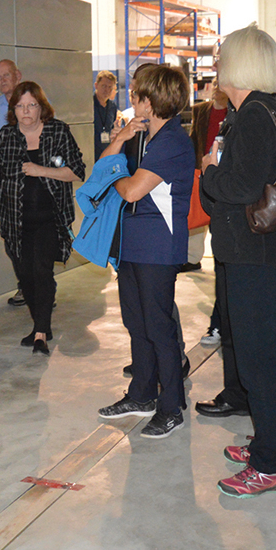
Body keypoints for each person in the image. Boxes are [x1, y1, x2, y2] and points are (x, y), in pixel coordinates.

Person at [199, 23, 276, 498]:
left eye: (222, 56)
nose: (217, 64)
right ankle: (272, 445)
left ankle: (269, 465)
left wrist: (209, 172)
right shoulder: (264, 111)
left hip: (256, 256)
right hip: (264, 252)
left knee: (259, 361)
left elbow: (240, 187)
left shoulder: (255, 115)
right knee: (268, 355)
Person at [97, 65, 194, 438]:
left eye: (136, 95)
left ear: (150, 102)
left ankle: (171, 406)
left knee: (158, 328)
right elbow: (104, 164)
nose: (131, 99)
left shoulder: (171, 142)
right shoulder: (144, 136)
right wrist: (121, 139)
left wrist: (115, 173)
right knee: (136, 323)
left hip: (158, 247)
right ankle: (141, 394)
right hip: (133, 243)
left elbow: (132, 190)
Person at [0, 81, 85, 354]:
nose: (26, 111)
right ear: (13, 110)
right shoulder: (5, 137)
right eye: (20, 106)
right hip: (15, 221)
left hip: (51, 218)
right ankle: (42, 323)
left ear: (41, 107)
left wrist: (42, 170)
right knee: (25, 276)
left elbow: (77, 171)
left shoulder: (58, 132)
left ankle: (40, 334)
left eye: (31, 105)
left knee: (42, 270)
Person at [190, 78, 229, 344]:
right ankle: (219, 322)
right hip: (204, 178)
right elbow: (195, 139)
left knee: (224, 261)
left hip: (226, 185)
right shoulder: (201, 111)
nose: (217, 88)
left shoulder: (239, 113)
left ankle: (221, 322)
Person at [0, 59, 25, 307]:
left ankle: (41, 288)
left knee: (33, 237)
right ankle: (25, 285)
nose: (2, 81)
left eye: (6, 76)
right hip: (6, 185)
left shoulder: (34, 102)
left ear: (17, 75)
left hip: (32, 182)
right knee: (11, 239)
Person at [93, 70, 119, 160]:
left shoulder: (112, 107)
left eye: (110, 87)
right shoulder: (89, 105)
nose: (107, 90)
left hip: (106, 153)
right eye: (104, 86)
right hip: (91, 152)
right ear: (96, 85)